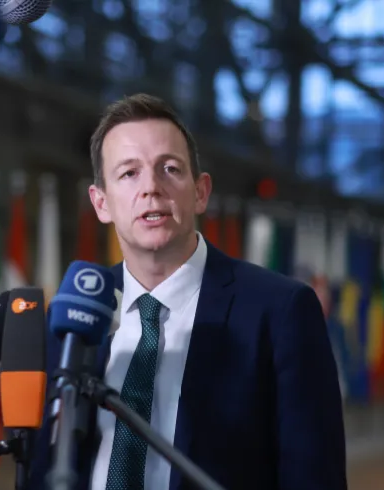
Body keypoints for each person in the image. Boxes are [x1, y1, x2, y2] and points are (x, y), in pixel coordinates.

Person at [28, 94, 347, 490]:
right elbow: (40, 468)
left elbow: (314, 478)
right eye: (129, 173)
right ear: (101, 202)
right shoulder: (73, 314)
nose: (151, 188)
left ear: (200, 192)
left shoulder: (280, 311)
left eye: (170, 169)